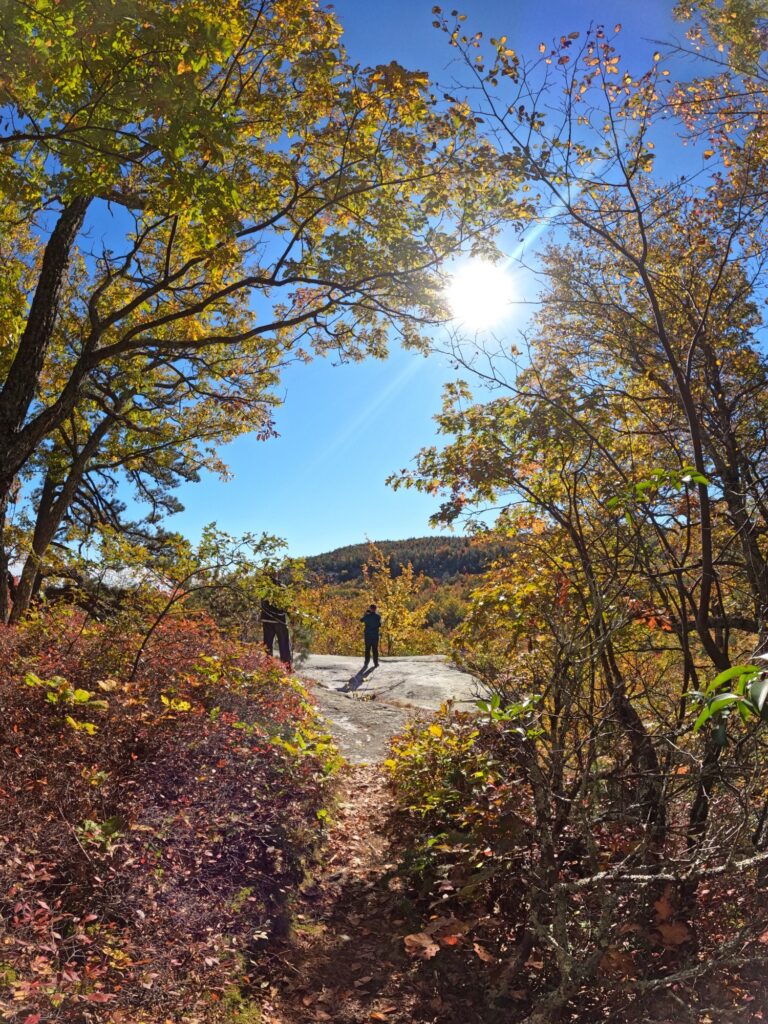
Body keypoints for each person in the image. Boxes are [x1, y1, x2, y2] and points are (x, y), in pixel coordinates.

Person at [261, 597, 292, 669]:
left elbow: (263, 604)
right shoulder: (283, 588)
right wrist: (291, 617)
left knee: (267, 644)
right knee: (283, 644)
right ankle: (287, 667)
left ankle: (267, 667)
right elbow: (288, 605)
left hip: (267, 619)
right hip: (279, 620)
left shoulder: (264, 587)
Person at [360, 603, 381, 669]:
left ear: (370, 609)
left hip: (368, 635)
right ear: (375, 609)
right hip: (375, 635)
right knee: (375, 650)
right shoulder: (378, 617)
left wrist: (365, 614)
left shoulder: (367, 616)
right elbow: (380, 624)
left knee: (367, 649)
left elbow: (361, 620)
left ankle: (366, 663)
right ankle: (376, 663)